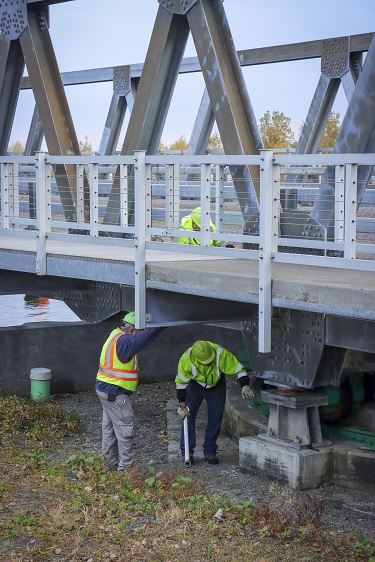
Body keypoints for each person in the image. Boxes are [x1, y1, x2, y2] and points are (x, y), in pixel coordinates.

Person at [95, 311, 163, 471]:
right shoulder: (125, 342)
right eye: (140, 330)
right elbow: (146, 337)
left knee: (110, 429)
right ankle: (126, 470)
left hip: (105, 390)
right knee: (125, 429)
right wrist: (162, 323)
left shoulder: (115, 334)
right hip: (114, 393)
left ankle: (108, 465)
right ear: (132, 330)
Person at [175, 340, 253, 465]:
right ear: (197, 359)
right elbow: (180, 385)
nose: (210, 362)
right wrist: (182, 406)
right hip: (194, 386)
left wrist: (245, 386)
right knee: (188, 417)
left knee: (215, 418)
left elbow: (239, 369)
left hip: (216, 386)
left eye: (211, 359)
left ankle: (210, 451)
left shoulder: (220, 353)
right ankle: (187, 452)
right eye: (206, 362)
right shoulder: (186, 360)